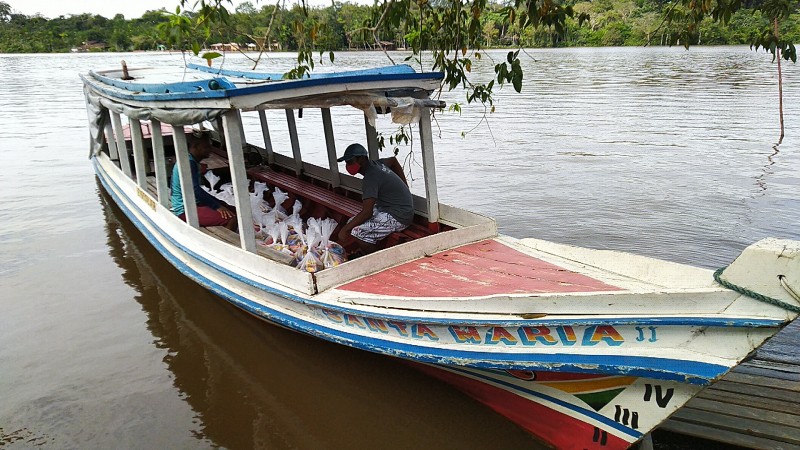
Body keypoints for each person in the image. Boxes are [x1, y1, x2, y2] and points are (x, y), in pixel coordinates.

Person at [336, 143, 414, 255]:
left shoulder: (370, 177)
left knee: (358, 232)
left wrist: (345, 230)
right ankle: (369, 248)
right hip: (390, 208)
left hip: (400, 215)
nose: (348, 165)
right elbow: (393, 161)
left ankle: (376, 258)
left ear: (361, 159)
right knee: (351, 222)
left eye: (350, 162)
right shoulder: (377, 164)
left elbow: (367, 212)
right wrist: (405, 188)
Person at [170, 131, 236, 230]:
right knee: (231, 218)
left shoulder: (190, 160)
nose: (210, 149)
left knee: (231, 209)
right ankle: (224, 241)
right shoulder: (189, 163)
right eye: (206, 147)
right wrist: (217, 206)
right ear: (196, 147)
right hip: (185, 210)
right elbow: (195, 190)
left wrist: (219, 203)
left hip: (193, 203)